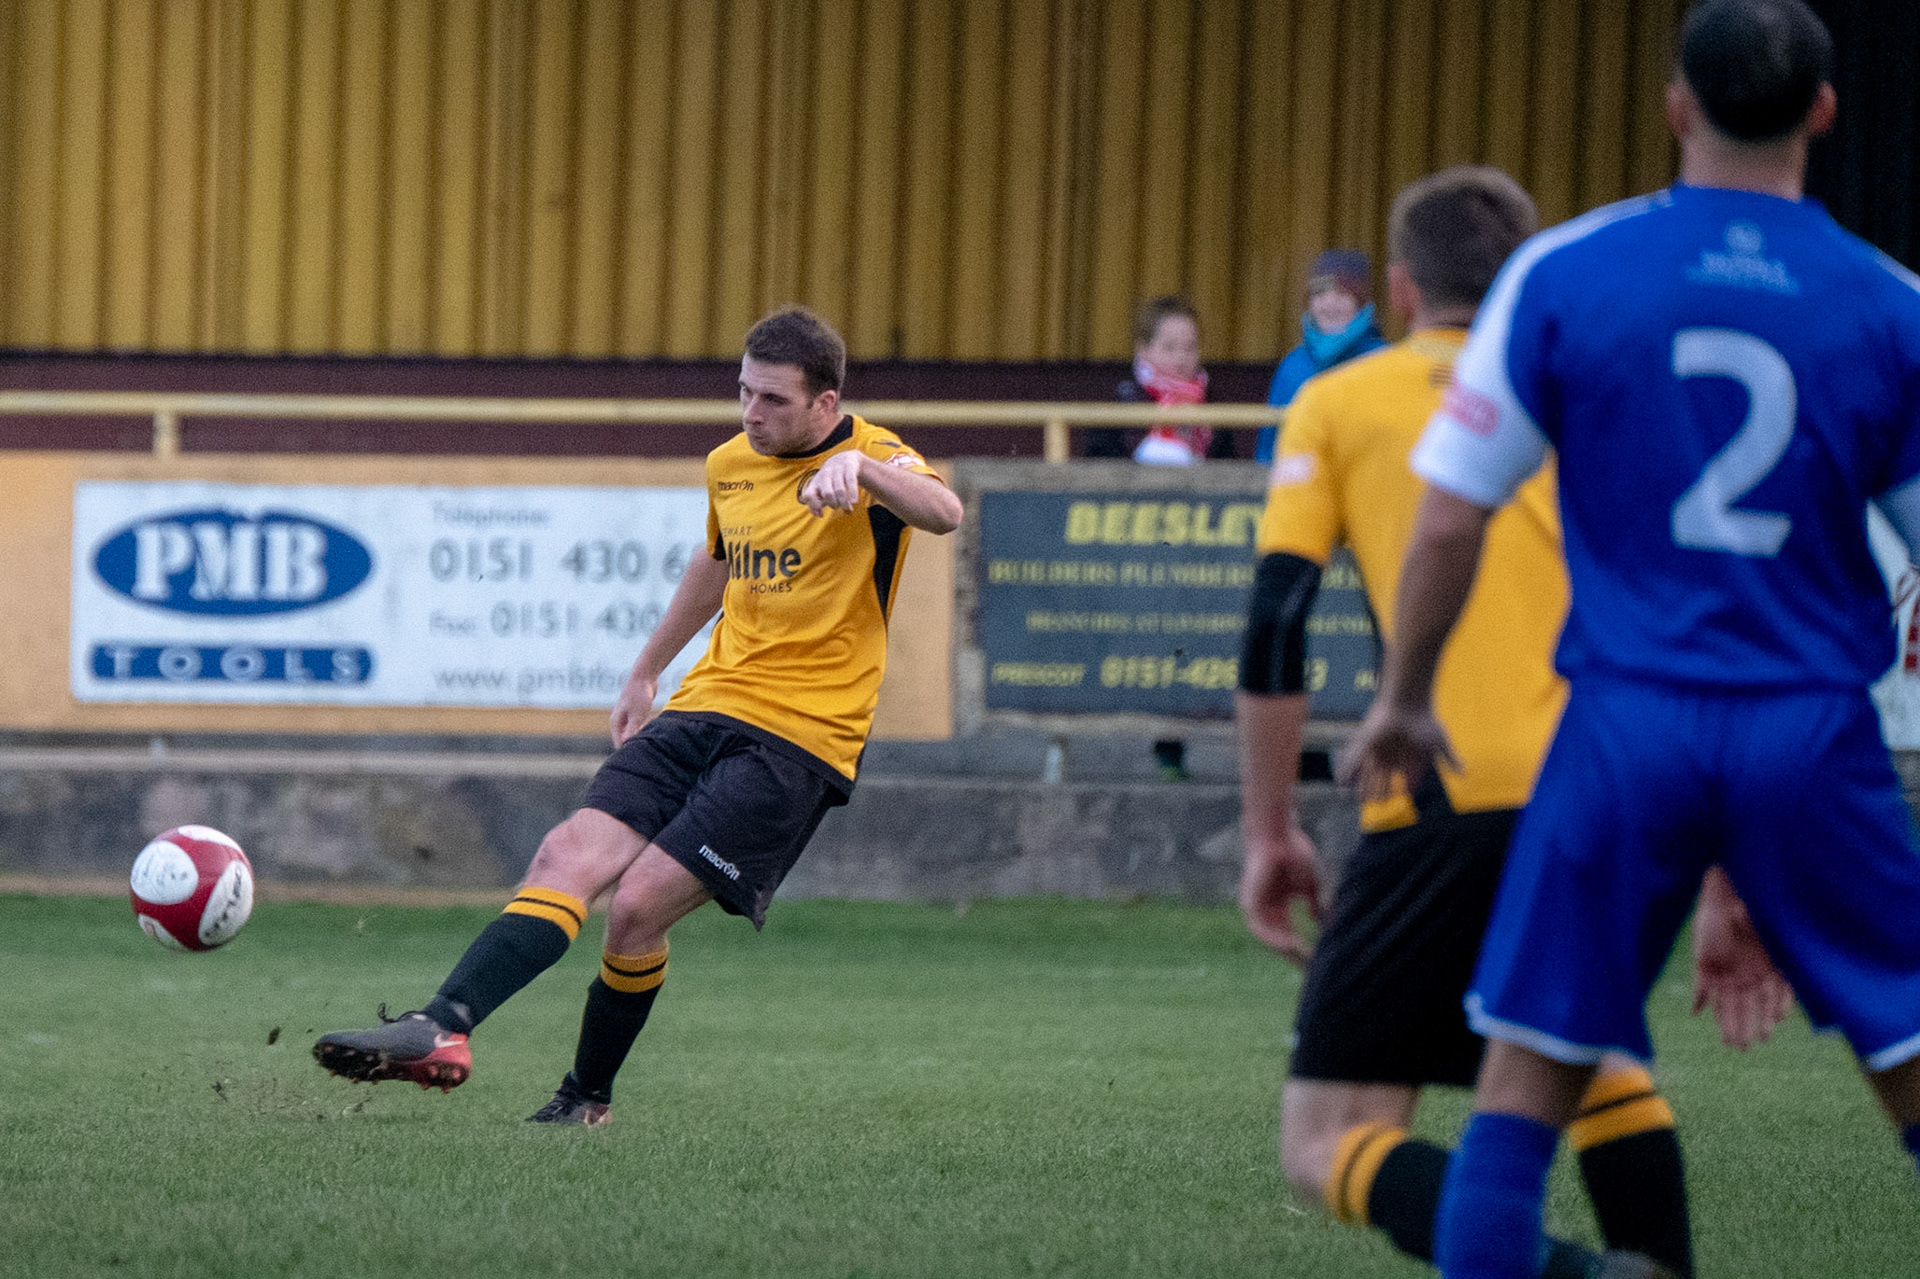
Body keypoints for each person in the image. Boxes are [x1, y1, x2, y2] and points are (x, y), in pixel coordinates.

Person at [1341, 4, 1920, 1275]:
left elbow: (1451, 517)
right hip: (1812, 731)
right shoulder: (1889, 305)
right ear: (1824, 112)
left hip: (1624, 726)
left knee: (1518, 1106)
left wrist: (1404, 696)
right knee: (1909, 1059)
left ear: (1675, 107)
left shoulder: (1568, 273)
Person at [1239, 166, 1785, 1279]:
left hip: (1443, 788)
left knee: (1328, 1136)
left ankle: (1586, 1277)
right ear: (1528, 274)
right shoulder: (1596, 400)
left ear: (1401, 286)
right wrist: (1726, 863)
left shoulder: (1342, 400)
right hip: (1611, 783)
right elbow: (1696, 617)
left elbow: (1277, 623)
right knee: (1584, 1057)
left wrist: (1269, 830)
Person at [312, 306, 964, 1123]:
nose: (752, 413)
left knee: (636, 906)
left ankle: (586, 1097)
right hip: (703, 708)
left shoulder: (872, 455)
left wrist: (864, 472)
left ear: (825, 403)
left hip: (798, 739)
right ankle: (440, 1026)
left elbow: (944, 511)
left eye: (773, 399)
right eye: (744, 392)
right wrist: (646, 669)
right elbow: (717, 561)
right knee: (565, 854)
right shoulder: (730, 463)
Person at [1254, 249, 1388, 465]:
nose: (1329, 303)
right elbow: (1268, 450)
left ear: (1361, 302)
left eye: (1342, 293)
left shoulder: (1383, 361)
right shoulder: (1292, 366)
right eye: (1319, 293)